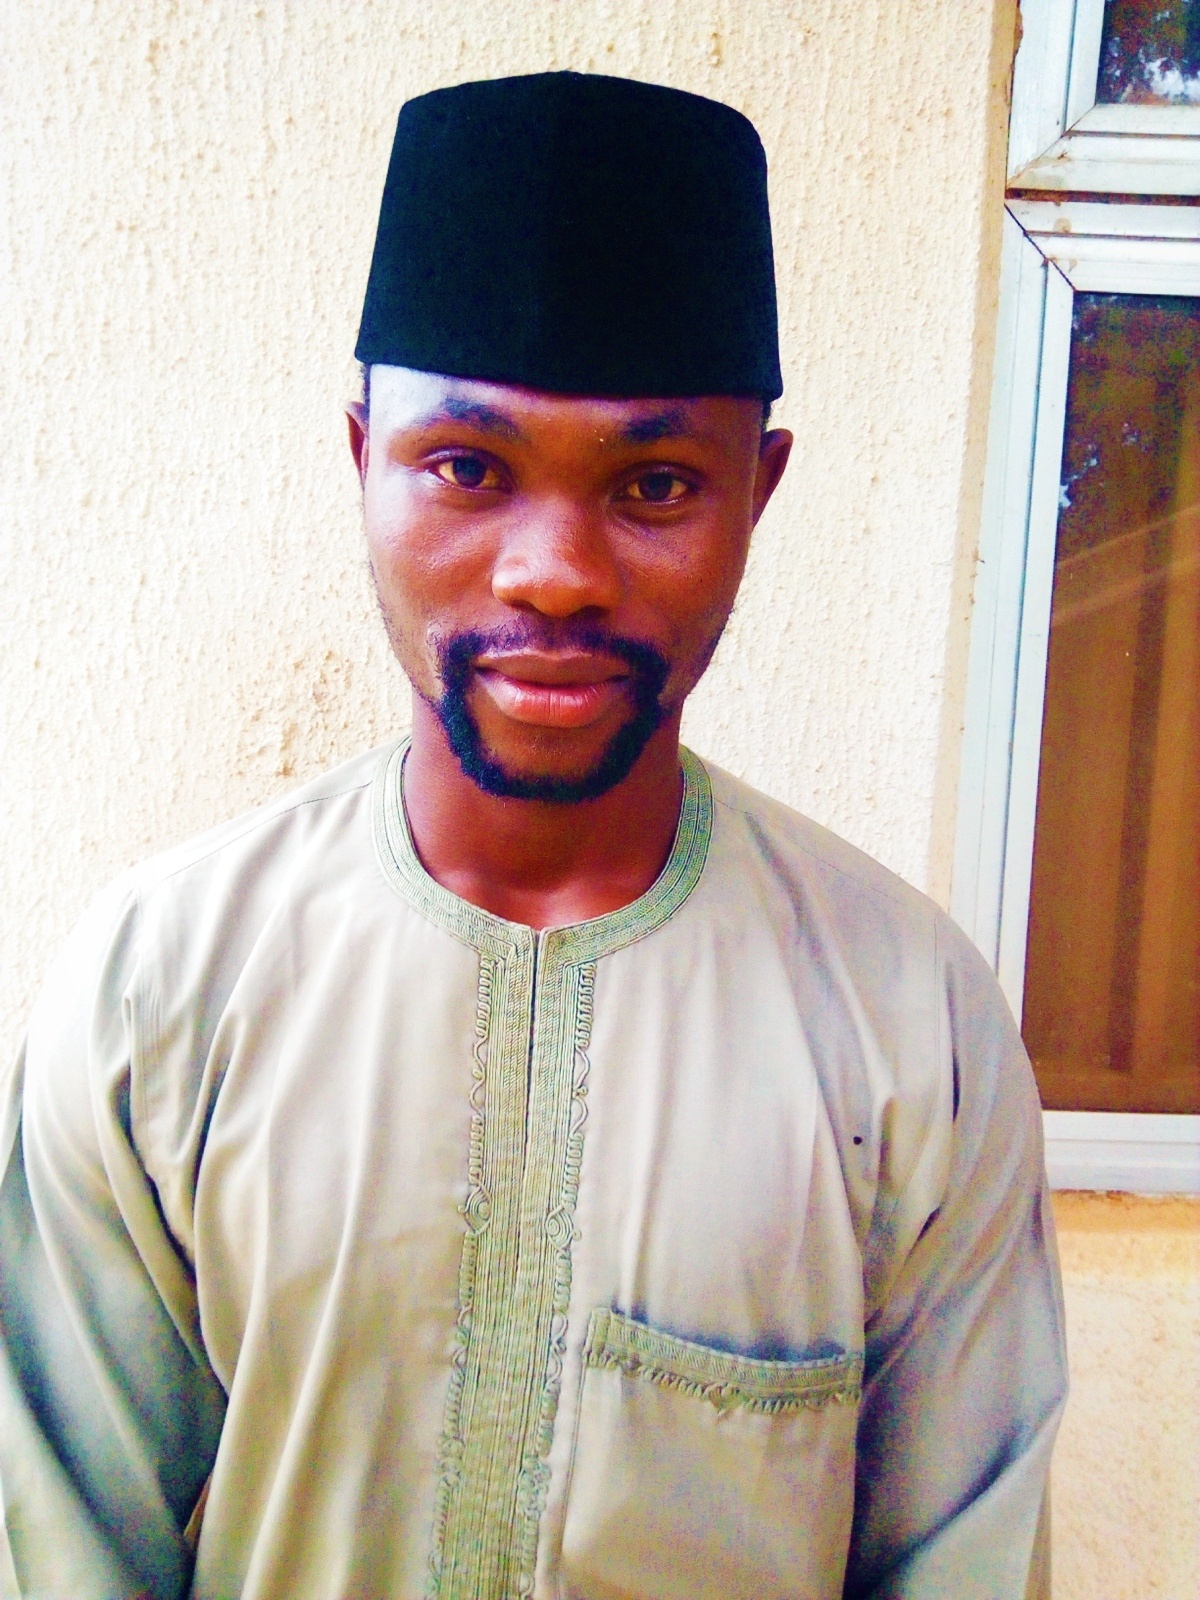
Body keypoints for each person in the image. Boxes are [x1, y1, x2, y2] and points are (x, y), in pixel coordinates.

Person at [0, 71, 1066, 1600]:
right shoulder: (158, 992)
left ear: (757, 493)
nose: (554, 570)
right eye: (467, 469)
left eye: (654, 485)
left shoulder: (911, 1030)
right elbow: (57, 1549)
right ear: (361, 460)